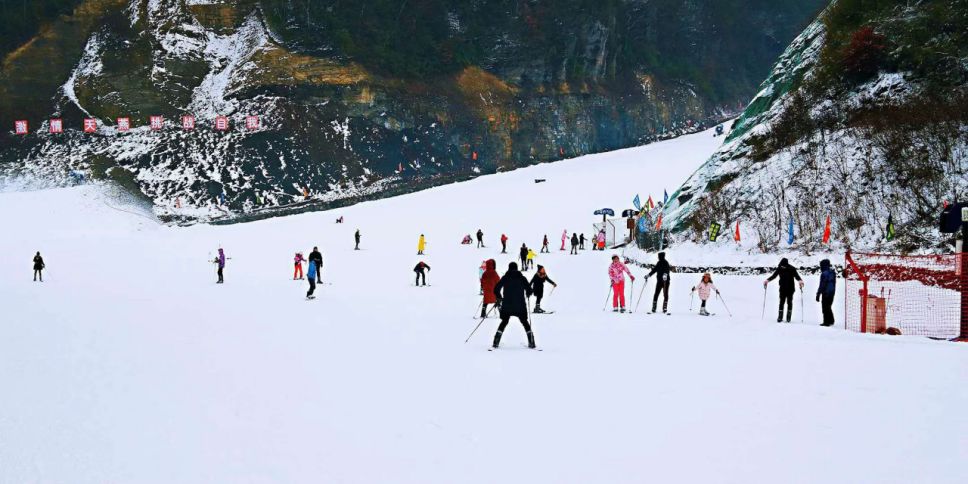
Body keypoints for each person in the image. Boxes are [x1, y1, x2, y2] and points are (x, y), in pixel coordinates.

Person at [491, 262, 536, 349]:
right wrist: (528, 293)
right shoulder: (522, 278)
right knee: (525, 322)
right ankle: (531, 342)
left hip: (507, 305)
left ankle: (496, 342)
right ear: (517, 268)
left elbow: (496, 289)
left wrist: (499, 298)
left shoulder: (505, 277)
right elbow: (530, 290)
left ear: (509, 268)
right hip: (520, 305)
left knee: (504, 322)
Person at [765, 258, 803, 323]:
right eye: (782, 265)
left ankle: (788, 318)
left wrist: (800, 281)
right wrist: (767, 280)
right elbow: (774, 276)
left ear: (786, 264)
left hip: (790, 289)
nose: (782, 267)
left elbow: (797, 276)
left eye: (784, 266)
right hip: (782, 288)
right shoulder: (779, 268)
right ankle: (780, 317)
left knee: (789, 302)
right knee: (781, 302)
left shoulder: (792, 268)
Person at [817, 259, 836, 326]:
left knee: (825, 307)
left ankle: (826, 322)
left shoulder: (824, 274)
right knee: (828, 306)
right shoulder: (832, 272)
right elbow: (834, 283)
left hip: (826, 293)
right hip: (832, 292)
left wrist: (818, 293)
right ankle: (831, 320)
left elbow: (822, 284)